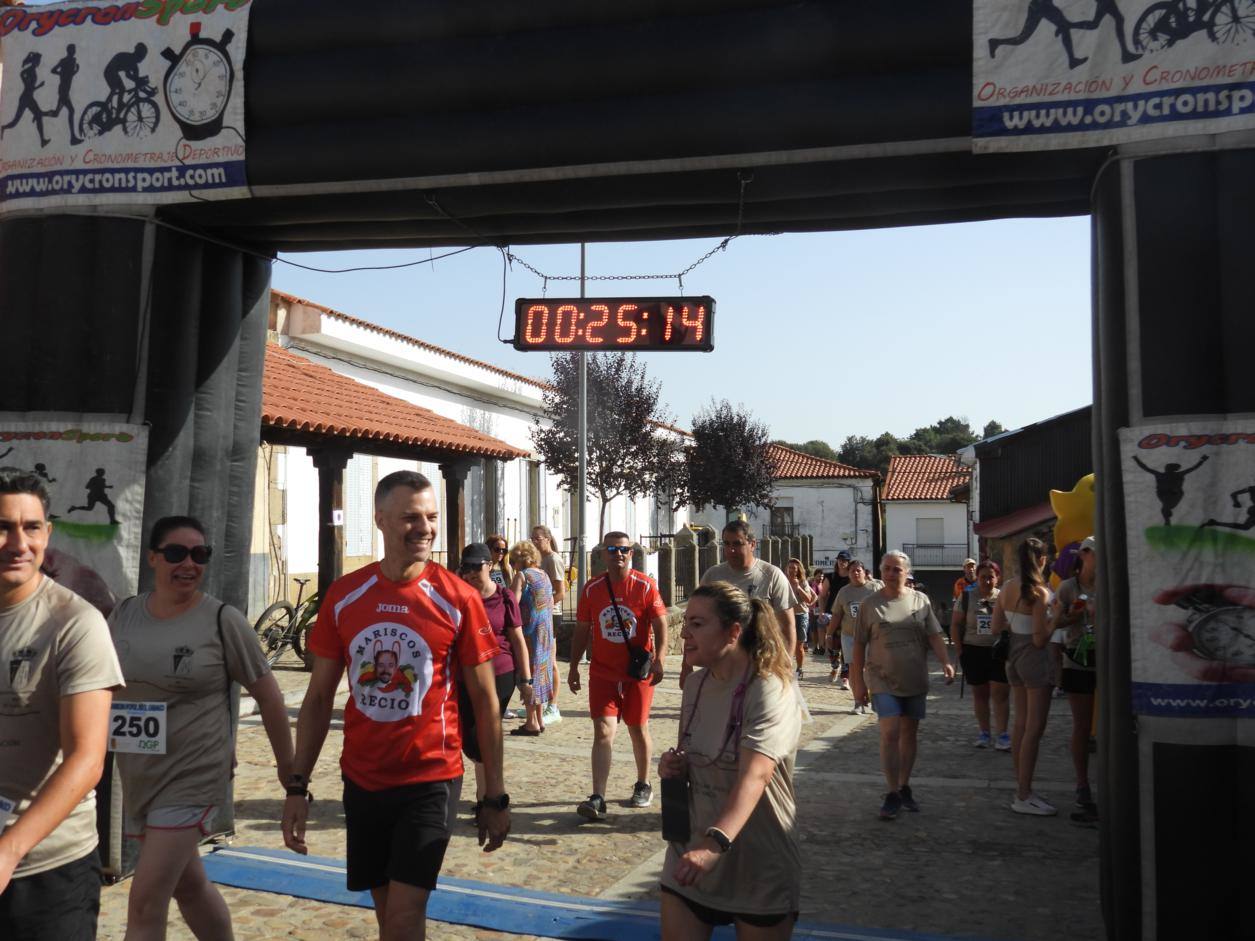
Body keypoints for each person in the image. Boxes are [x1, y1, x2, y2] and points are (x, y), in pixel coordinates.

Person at [283, 471, 510, 941]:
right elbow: (319, 697)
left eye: (431, 517)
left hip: (430, 778)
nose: (424, 528)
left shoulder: (458, 599)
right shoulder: (345, 597)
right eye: (410, 517)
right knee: (389, 915)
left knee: (405, 917)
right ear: (381, 521)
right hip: (363, 779)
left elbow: (487, 702)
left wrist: (495, 795)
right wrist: (297, 785)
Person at [109, 515, 295, 941]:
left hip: (193, 775)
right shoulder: (123, 615)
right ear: (154, 557)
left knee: (144, 898)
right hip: (139, 774)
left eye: (199, 554)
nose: (188, 563)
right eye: (176, 553)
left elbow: (269, 696)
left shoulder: (222, 620)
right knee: (187, 885)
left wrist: (289, 771)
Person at [0, 472, 122, 940]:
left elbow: (87, 760)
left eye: (31, 527)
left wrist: (8, 852)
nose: (18, 542)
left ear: (47, 534)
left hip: (47, 870)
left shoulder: (75, 624)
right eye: (3, 526)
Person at [659, 582, 802, 938]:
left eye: (698, 624)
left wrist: (715, 843)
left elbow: (756, 775)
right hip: (690, 852)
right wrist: (674, 768)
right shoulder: (695, 685)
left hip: (754, 858)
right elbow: (696, 755)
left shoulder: (770, 689)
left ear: (733, 632)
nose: (685, 635)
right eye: (686, 622)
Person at [568, 532, 668, 820]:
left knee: (637, 727)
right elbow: (582, 629)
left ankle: (643, 782)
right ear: (603, 554)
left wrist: (660, 658)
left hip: (636, 672)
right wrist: (574, 666)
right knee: (603, 731)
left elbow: (661, 623)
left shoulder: (645, 586)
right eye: (612, 550)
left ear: (631, 554)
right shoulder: (591, 589)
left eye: (624, 550)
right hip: (603, 671)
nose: (619, 555)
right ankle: (598, 796)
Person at [850, 550, 954, 821]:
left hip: (914, 676)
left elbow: (934, 635)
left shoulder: (920, 601)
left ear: (907, 572)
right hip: (882, 677)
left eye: (896, 569)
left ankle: (904, 785)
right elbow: (859, 644)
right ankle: (892, 791)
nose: (890, 573)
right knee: (890, 731)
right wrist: (857, 681)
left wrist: (946, 662)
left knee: (909, 732)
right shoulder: (869, 604)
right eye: (886, 568)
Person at [458, 542, 534, 819]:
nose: (470, 573)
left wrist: (525, 680)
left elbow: (517, 640)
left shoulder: (504, 597)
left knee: (484, 733)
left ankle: (486, 798)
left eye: (476, 567)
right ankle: (487, 791)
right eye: (465, 568)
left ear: (489, 566)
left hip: (500, 671)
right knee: (468, 737)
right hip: (467, 671)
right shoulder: (460, 596)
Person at [682, 521, 794, 687]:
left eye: (737, 544)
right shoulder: (713, 576)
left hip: (760, 664)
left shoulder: (772, 576)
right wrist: (686, 667)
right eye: (726, 544)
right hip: (720, 665)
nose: (731, 550)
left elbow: (787, 625)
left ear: (752, 544)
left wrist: (785, 666)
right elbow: (694, 621)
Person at [992, 537, 1056, 816]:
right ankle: (1024, 793)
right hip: (1034, 658)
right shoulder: (1041, 592)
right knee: (1035, 728)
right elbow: (1042, 639)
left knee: (1020, 724)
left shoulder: (1006, 587)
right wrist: (1060, 616)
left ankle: (1022, 786)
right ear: (1042, 560)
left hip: (1012, 658)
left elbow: (996, 626)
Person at [1051, 536, 1098, 825]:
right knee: (1082, 726)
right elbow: (1055, 623)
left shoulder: (1113, 583)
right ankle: (1082, 784)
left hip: (1110, 661)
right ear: (1085, 555)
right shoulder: (1068, 587)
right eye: (1095, 554)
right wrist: (1075, 614)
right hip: (1078, 661)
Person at [950, 560, 1010, 750]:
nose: (986, 581)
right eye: (983, 577)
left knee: (1000, 694)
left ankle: (1002, 734)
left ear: (997, 578)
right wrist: (959, 649)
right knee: (980, 694)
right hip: (973, 650)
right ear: (977, 577)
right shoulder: (967, 597)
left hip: (998, 650)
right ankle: (984, 733)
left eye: (990, 577)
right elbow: (955, 624)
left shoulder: (1004, 597)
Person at [510, 540, 554, 734]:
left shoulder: (522, 576)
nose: (512, 565)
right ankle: (540, 719)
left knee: (527, 673)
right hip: (545, 631)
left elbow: (512, 603)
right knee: (540, 672)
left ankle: (531, 722)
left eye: (513, 561)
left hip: (528, 631)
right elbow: (550, 603)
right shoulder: (544, 575)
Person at [827, 560, 882, 703]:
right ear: (848, 574)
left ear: (864, 572)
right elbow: (837, 614)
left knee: (869, 668)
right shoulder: (844, 592)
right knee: (854, 669)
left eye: (859, 570)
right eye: (852, 571)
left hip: (871, 636)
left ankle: (869, 692)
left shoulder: (875, 588)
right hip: (849, 636)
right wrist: (829, 633)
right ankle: (858, 701)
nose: (856, 573)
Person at [530, 525, 565, 725]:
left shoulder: (553, 559)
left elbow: (560, 591)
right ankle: (539, 702)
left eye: (538, 538)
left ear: (548, 539)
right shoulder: (538, 560)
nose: (534, 541)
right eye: (532, 538)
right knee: (538, 659)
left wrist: (544, 606)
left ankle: (553, 705)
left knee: (550, 660)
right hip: (539, 614)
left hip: (551, 614)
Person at [784, 558, 814, 679]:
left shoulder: (803, 582)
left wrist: (798, 587)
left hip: (800, 614)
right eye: (790, 567)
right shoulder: (782, 580)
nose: (792, 570)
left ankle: (799, 668)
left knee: (799, 645)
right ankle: (786, 667)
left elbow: (809, 599)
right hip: (786, 614)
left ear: (798, 570)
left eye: (794, 568)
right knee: (785, 643)